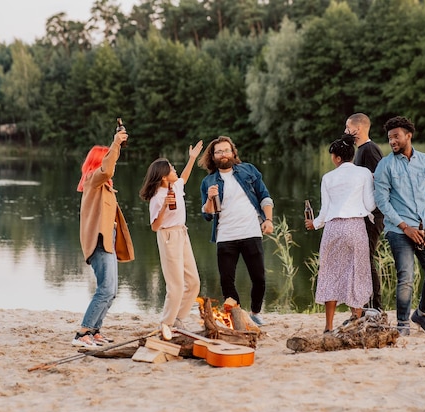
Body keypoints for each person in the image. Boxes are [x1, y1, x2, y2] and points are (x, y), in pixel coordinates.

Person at [374, 116, 425, 336]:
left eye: (396, 136)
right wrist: (405, 227)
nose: (392, 141)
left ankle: (423, 315)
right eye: (389, 138)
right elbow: (382, 201)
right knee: (406, 276)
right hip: (399, 230)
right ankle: (402, 324)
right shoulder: (385, 165)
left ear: (408, 136)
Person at [198, 136, 274, 326]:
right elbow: (207, 215)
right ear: (213, 157)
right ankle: (237, 317)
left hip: (251, 232)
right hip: (226, 236)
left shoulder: (248, 170)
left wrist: (269, 220)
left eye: (226, 150)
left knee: (259, 278)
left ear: (233, 152)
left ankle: (255, 313)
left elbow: (264, 196)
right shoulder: (208, 182)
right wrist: (209, 198)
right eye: (219, 152)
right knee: (226, 281)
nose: (223, 154)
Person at [305, 134, 376, 333]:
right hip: (355, 227)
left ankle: (328, 326)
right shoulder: (364, 173)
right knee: (357, 272)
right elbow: (370, 204)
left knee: (330, 274)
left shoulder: (328, 177)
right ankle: (357, 321)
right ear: (352, 155)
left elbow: (325, 210)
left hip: (333, 229)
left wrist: (315, 224)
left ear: (336, 158)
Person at [73, 129, 134, 348]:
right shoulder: (93, 180)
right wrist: (116, 143)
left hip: (108, 241)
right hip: (99, 242)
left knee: (112, 291)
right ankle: (82, 333)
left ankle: (95, 330)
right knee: (105, 290)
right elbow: (107, 170)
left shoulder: (104, 187)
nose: (112, 166)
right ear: (99, 161)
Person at [139, 141, 203, 340]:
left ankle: (178, 319)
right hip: (167, 237)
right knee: (175, 286)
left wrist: (192, 157)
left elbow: (184, 177)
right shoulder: (158, 197)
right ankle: (166, 324)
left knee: (193, 282)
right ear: (164, 176)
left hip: (182, 234)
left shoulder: (175, 186)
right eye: (172, 169)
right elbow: (155, 227)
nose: (175, 170)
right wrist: (165, 207)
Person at [345, 112, 385, 312]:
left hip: (373, 215)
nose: (346, 132)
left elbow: (381, 181)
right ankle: (366, 305)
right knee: (361, 260)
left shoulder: (369, 150)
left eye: (348, 128)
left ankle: (375, 307)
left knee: (366, 259)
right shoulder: (360, 151)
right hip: (363, 214)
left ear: (357, 129)